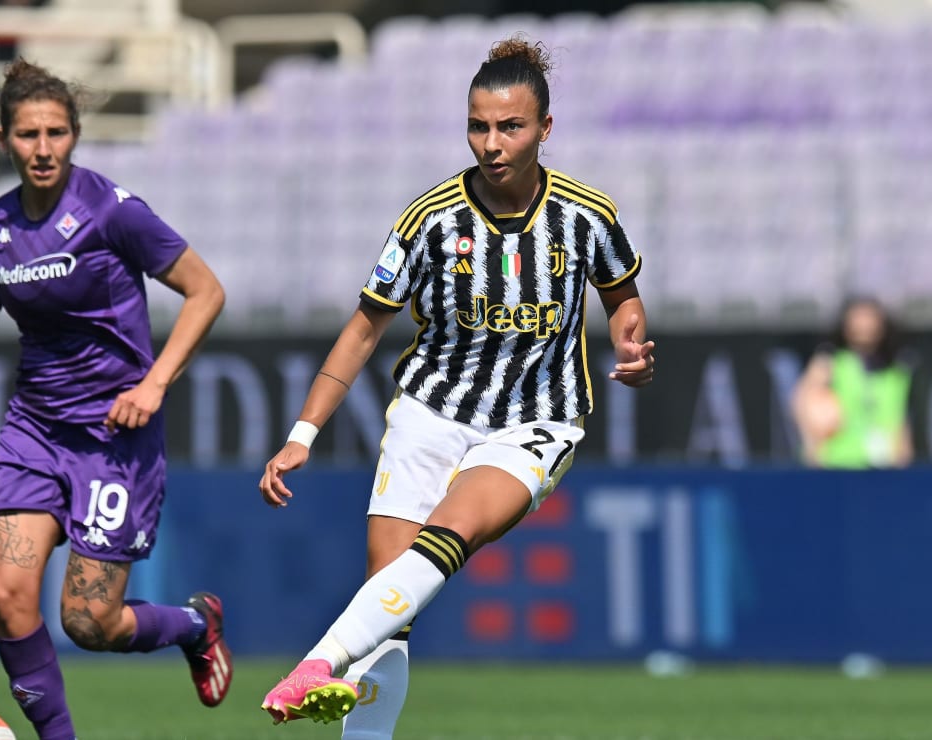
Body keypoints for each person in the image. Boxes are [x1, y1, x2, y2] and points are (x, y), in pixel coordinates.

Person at [256, 36, 655, 735]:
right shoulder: (429, 220)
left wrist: (630, 339)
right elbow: (361, 330)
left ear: (545, 129)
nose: (492, 143)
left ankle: (318, 659)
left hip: (537, 420)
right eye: (478, 125)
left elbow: (622, 294)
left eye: (510, 126)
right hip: (431, 413)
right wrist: (301, 435)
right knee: (391, 608)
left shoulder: (587, 215)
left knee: (450, 531)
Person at [0, 59, 230, 740]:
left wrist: (153, 384)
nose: (43, 148)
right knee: (8, 598)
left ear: (75, 135)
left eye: (56, 132)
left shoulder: (112, 212)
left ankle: (194, 626)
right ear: (4, 139)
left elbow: (207, 291)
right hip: (34, 431)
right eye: (28, 135)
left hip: (114, 440)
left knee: (90, 622)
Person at [791, 296, 913, 468]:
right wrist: (813, 446)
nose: (864, 326)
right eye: (858, 319)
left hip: (883, 467)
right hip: (838, 464)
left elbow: (898, 419)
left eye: (869, 319)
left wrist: (903, 456)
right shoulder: (830, 362)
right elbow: (803, 401)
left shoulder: (896, 372)